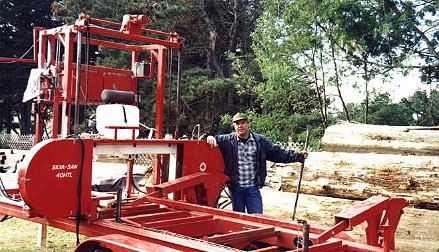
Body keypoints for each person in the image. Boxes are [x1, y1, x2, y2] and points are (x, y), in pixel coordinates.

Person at [207, 112, 308, 214]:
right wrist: (209, 137)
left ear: (248, 124)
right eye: (237, 123)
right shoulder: (227, 141)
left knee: (257, 217)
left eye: (243, 123)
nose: (240, 126)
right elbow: (207, 140)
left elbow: (278, 153)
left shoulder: (260, 141)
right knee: (238, 219)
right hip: (235, 189)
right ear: (234, 125)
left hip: (252, 188)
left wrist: (298, 156)